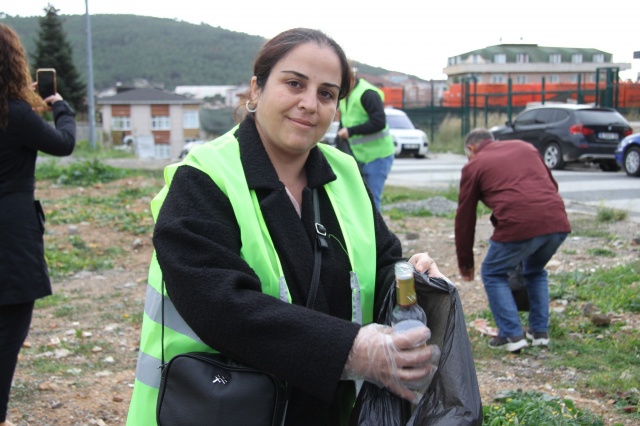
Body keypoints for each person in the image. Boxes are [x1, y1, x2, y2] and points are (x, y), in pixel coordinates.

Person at [126, 28, 444, 425]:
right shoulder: (204, 176)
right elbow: (217, 304)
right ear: (256, 89)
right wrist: (353, 350)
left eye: (327, 94)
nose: (309, 104)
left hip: (325, 408)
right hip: (221, 408)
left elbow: (380, 261)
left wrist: (408, 276)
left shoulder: (343, 172)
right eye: (294, 83)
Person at [0, 23, 76, 426]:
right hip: (11, 237)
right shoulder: (15, 114)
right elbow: (63, 143)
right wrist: (58, 105)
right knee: (7, 332)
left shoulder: (17, 112)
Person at [455, 128, 571, 353]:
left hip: (519, 224)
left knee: (493, 272)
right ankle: (539, 333)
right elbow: (551, 187)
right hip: (557, 222)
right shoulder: (525, 147)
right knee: (535, 271)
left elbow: (465, 217)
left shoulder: (474, 164)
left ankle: (511, 334)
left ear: (471, 148)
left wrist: (466, 263)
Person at [337, 72, 395, 211]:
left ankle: (376, 233)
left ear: (350, 78)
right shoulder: (346, 95)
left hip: (378, 156)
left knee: (372, 201)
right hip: (361, 156)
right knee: (361, 199)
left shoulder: (368, 94)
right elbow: (345, 122)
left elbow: (379, 122)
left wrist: (350, 131)